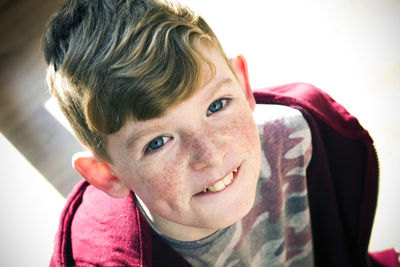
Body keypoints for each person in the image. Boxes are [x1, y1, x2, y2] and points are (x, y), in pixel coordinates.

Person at [43, 0, 398, 266]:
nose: (210, 154)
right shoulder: (107, 258)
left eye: (216, 106)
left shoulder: (304, 136)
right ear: (107, 175)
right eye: (157, 142)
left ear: (243, 86)